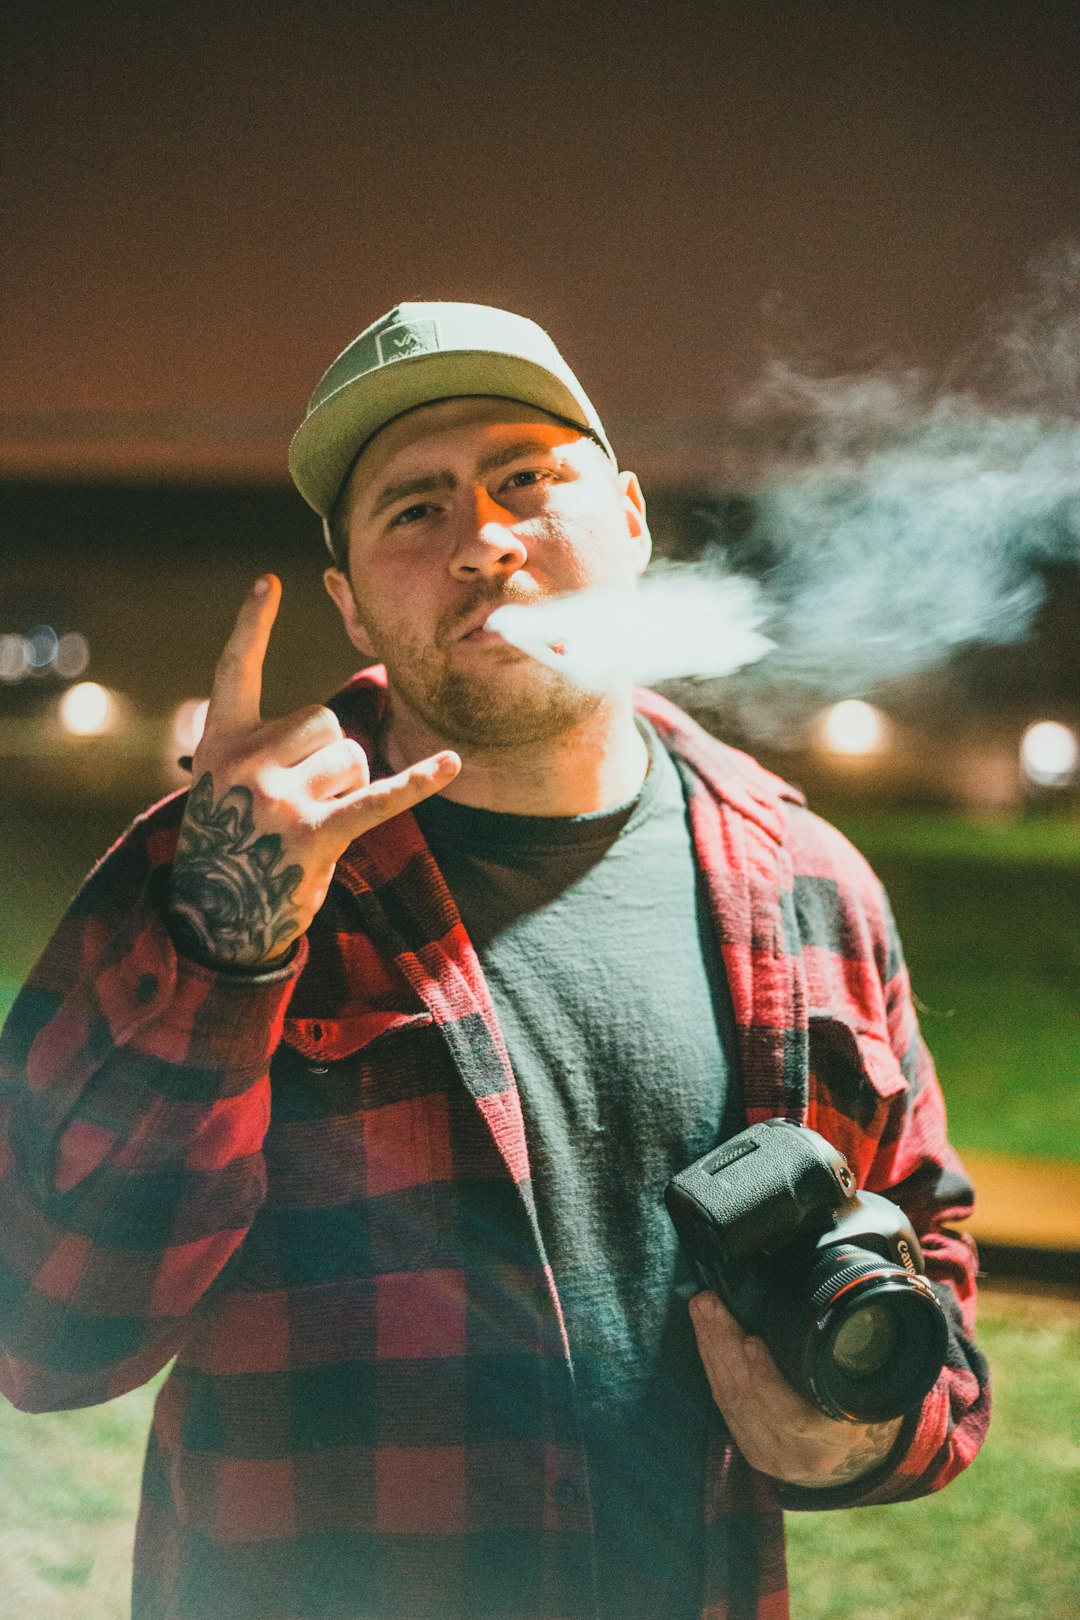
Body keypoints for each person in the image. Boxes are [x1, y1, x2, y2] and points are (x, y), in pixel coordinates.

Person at [0, 302, 989, 1620]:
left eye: (529, 478)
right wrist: (229, 952)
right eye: (414, 510)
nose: (484, 540)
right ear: (350, 604)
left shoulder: (808, 880)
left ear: (631, 521)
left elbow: (929, 1261)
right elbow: (50, 1332)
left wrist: (860, 1436)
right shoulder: (219, 858)